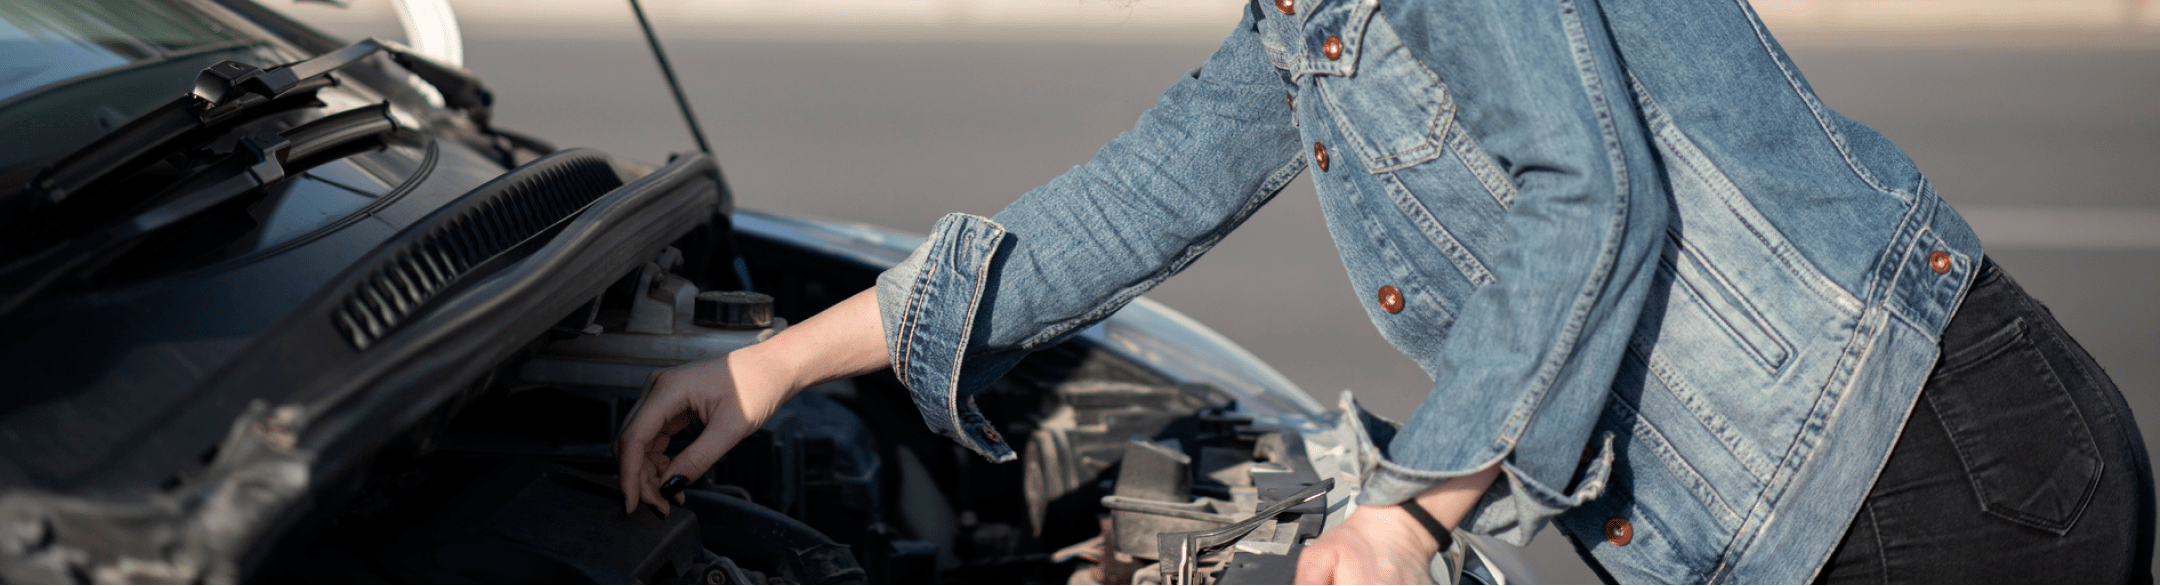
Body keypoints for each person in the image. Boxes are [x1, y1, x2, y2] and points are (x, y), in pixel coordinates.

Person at [618, 0, 2155, 582]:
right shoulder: (1309, 19)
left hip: (1933, 475)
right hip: (1831, 493)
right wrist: (778, 367)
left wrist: (1413, 511)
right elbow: (1129, 201)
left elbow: (1591, 196)